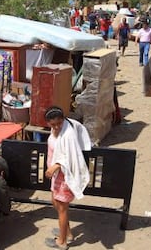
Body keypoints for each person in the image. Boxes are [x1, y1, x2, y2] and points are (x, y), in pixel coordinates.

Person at [43, 106, 92, 250]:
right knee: (55, 202)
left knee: (62, 207)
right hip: (56, 175)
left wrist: (56, 165)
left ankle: (62, 242)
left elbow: (71, 156)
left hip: (65, 176)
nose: (57, 126)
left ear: (63, 119)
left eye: (59, 123)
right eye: (53, 124)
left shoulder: (68, 134)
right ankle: (67, 232)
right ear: (48, 123)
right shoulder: (57, 129)